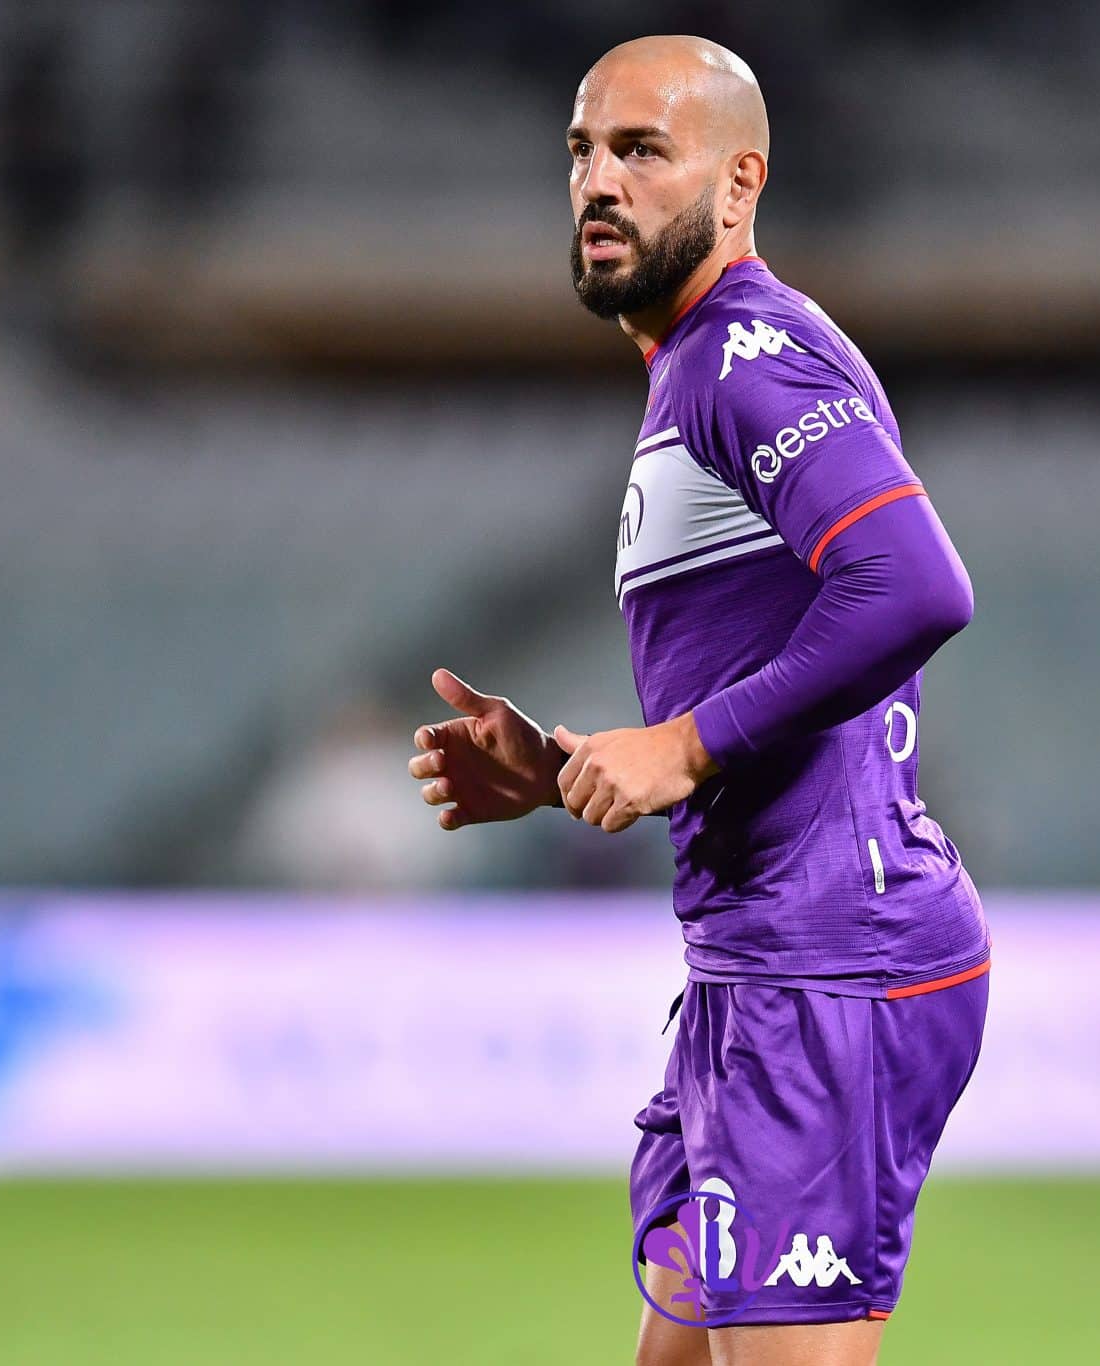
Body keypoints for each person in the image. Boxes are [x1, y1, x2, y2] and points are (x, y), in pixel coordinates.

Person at [407, 36, 988, 1366]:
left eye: (643, 150)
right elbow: (772, 663)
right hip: (762, 961)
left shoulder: (744, 361)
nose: (600, 182)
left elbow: (915, 588)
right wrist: (566, 770)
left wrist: (683, 741)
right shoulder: (695, 367)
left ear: (739, 187)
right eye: (583, 151)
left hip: (830, 961)